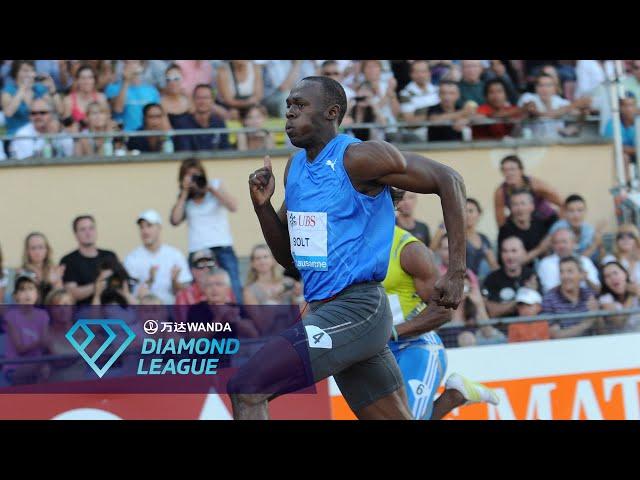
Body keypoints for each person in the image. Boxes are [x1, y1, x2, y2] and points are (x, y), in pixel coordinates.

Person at [231, 75, 467, 420]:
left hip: (357, 309)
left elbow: (450, 180)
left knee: (247, 388)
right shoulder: (295, 168)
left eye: (300, 106)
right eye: (288, 107)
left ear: (331, 112)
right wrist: (263, 207)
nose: (290, 114)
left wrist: (457, 270)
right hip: (327, 311)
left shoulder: (358, 158)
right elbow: (290, 260)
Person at [383, 222, 499, 420]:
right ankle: (454, 396)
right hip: (377, 353)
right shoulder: (347, 244)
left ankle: (455, 396)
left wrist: (395, 331)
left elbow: (444, 312)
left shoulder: (409, 249)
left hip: (416, 347)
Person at [170, 158, 242, 303]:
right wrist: (184, 192)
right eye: (189, 175)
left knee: (232, 287)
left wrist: (211, 189)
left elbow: (233, 206)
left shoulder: (215, 185)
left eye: (196, 175)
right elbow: (175, 220)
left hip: (221, 247)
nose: (194, 179)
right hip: (197, 251)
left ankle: (236, 320)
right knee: (199, 290)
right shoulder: (185, 197)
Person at [123, 209, 192, 304]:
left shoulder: (175, 255)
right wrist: (149, 281)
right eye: (141, 227)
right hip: (144, 311)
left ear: (159, 228)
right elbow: (129, 293)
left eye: (149, 226)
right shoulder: (132, 258)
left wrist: (174, 281)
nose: (145, 231)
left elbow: (185, 291)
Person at [59, 215, 121, 306]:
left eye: (91, 228)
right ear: (75, 234)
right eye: (83, 229)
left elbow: (120, 283)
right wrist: (98, 283)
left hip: (113, 305)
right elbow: (71, 293)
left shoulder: (110, 255)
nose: (88, 233)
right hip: (84, 310)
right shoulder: (69, 260)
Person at [3, 274, 51, 385]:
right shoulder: (11, 316)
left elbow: (46, 345)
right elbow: (20, 349)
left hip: (37, 365)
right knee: (44, 368)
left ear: (37, 295)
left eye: (31, 289)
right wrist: (41, 341)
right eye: (22, 290)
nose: (27, 293)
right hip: (14, 367)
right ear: (15, 296)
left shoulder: (43, 315)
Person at [494, 154, 562, 227]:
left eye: (512, 169)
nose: (509, 173)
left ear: (521, 170)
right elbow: (500, 220)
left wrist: (561, 224)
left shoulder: (535, 184)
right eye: (505, 170)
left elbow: (562, 203)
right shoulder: (501, 192)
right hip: (523, 225)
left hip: (546, 220)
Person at [541, 256, 601, 338]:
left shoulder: (589, 295)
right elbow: (555, 335)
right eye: (561, 272)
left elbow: (602, 330)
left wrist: (596, 315)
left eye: (570, 271)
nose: (565, 276)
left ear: (582, 275)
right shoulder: (549, 298)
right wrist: (586, 323)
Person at [518, 73, 590, 139]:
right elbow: (537, 113)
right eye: (541, 85)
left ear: (555, 88)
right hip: (533, 145)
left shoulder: (561, 101)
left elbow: (579, 115)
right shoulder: (528, 98)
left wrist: (583, 111)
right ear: (535, 88)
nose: (544, 89)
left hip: (557, 145)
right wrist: (575, 104)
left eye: (548, 85)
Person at [482, 236, 540, 318]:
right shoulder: (492, 278)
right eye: (505, 251)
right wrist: (523, 297)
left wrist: (533, 294)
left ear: (523, 252)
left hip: (527, 328)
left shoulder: (531, 275)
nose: (509, 256)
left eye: (514, 251)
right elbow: (491, 312)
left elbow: (538, 309)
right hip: (501, 328)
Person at [497, 190, 554, 266]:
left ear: (532, 206)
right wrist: (540, 249)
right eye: (515, 204)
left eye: (523, 204)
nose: (519, 208)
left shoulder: (539, 224)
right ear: (510, 208)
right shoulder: (506, 230)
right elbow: (514, 263)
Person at [537, 228, 600, 293]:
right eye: (556, 243)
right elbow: (548, 291)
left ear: (573, 243)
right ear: (552, 246)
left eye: (564, 242)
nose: (561, 246)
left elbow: (597, 289)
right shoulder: (546, 263)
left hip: (587, 300)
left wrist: (586, 279)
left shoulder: (585, 261)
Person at [1, 60, 56, 136]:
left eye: (32, 70)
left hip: (40, 135)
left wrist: (52, 89)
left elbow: (54, 109)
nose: (30, 74)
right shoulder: (8, 90)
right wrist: (23, 88)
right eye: (25, 70)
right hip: (16, 136)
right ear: (16, 72)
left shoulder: (38, 88)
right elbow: (8, 113)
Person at [105, 60, 161, 132]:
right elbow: (118, 109)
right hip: (124, 136)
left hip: (146, 136)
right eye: (127, 62)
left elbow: (158, 116)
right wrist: (126, 81)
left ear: (141, 66)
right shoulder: (112, 88)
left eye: (134, 62)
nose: (130, 65)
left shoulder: (152, 90)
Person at [10, 97, 74, 160]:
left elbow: (72, 155)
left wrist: (59, 132)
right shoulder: (22, 134)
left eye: (43, 113)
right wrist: (48, 137)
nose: (38, 116)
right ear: (29, 116)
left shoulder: (59, 131)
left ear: (52, 114)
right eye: (33, 113)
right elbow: (28, 162)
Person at [172, 84, 230, 151]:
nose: (202, 101)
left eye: (206, 98)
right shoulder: (182, 124)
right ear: (193, 99)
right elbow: (184, 151)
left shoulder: (219, 123)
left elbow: (226, 150)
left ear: (212, 100)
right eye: (199, 98)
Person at [548, 194, 601, 263]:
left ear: (585, 211)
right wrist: (594, 245)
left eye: (580, 210)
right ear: (564, 212)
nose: (576, 215)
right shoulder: (558, 229)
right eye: (571, 211)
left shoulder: (589, 229)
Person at [19, 232, 65, 302]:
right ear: (27, 251)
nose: (37, 252)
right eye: (33, 248)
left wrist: (55, 283)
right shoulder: (22, 272)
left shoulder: (54, 269)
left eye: (41, 247)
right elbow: (25, 301)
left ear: (47, 250)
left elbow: (61, 299)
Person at [398, 60, 440, 135]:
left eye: (423, 71)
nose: (421, 75)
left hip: (439, 128)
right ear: (411, 74)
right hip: (418, 132)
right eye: (417, 72)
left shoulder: (437, 90)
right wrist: (432, 117)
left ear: (429, 73)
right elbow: (409, 121)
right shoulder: (405, 94)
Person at [598, 261, 640, 334]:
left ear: (625, 274)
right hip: (618, 341)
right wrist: (631, 295)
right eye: (607, 276)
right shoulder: (605, 298)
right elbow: (619, 323)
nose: (613, 278)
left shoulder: (637, 289)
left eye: (615, 273)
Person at [603, 94, 637, 181]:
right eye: (625, 105)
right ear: (620, 108)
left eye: (631, 105)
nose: (629, 109)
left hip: (636, 155)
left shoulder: (638, 121)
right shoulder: (612, 124)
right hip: (617, 157)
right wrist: (635, 150)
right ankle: (627, 187)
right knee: (624, 157)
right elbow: (614, 147)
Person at [465, 198, 498, 280]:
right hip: (463, 283)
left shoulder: (483, 239)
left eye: (471, 211)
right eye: (463, 211)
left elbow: (493, 264)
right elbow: (432, 250)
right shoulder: (453, 237)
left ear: (479, 214)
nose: (467, 215)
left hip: (481, 282)